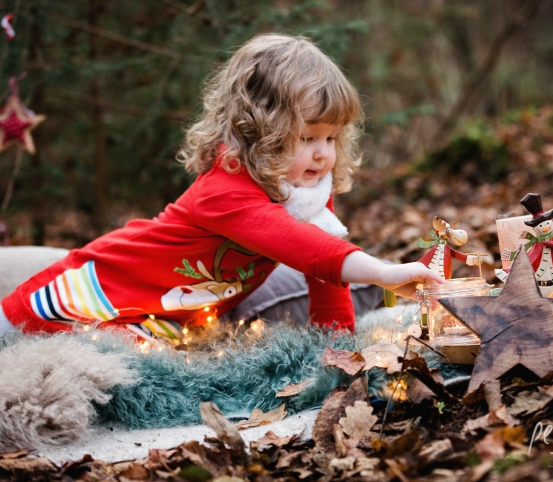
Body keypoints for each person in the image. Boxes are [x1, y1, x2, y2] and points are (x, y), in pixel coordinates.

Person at [0, 34, 442, 341]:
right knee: (105, 363)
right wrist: (383, 273)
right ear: (258, 131)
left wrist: (338, 353)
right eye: (307, 138)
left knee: (154, 361)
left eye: (331, 137)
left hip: (165, 319)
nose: (323, 153)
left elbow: (324, 278)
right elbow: (308, 249)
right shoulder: (225, 191)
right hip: (104, 292)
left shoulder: (305, 191)